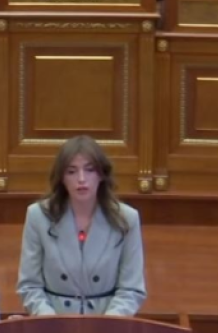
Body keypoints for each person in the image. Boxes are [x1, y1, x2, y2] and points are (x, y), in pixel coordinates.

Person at [17, 135, 145, 316]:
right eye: (72, 171)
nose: (81, 179)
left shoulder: (126, 219)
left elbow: (131, 289)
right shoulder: (38, 216)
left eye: (89, 170)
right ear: (62, 178)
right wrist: (50, 321)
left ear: (101, 175)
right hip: (54, 321)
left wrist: (108, 325)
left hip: (107, 322)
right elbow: (30, 286)